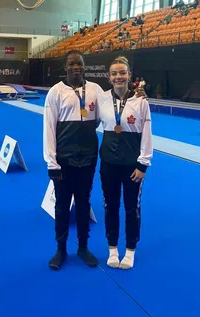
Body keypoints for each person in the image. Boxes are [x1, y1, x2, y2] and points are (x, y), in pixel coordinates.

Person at [43, 50, 147, 271]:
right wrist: (52, 162)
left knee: (83, 204)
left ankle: (83, 247)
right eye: (71, 64)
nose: (76, 68)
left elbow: (116, 108)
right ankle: (61, 249)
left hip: (89, 159)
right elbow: (49, 129)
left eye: (79, 64)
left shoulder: (96, 91)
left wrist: (138, 97)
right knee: (62, 207)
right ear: (65, 67)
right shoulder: (55, 93)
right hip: (64, 160)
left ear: (84, 66)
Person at [95, 56, 153, 270]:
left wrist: (143, 164)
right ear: (109, 78)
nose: (118, 76)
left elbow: (147, 133)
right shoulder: (101, 99)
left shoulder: (141, 101)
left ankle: (130, 250)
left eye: (122, 73)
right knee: (110, 206)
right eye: (114, 73)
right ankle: (112, 248)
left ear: (129, 75)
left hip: (132, 166)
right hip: (108, 163)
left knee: (131, 208)